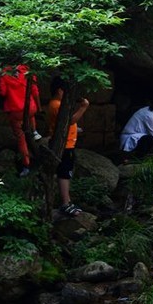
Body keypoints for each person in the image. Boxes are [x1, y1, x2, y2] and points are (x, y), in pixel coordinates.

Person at [46, 78, 90, 217]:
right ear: (60, 91)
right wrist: (83, 108)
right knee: (64, 173)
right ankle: (65, 203)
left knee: (67, 172)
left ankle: (68, 201)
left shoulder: (57, 104)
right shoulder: (56, 104)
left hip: (69, 143)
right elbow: (69, 120)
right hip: (65, 145)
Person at [0, 64, 42, 177]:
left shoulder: (4, 73)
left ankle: (26, 166)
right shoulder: (28, 71)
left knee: (21, 138)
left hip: (16, 111)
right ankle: (34, 131)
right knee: (30, 115)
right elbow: (35, 91)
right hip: (30, 108)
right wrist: (39, 107)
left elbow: (2, 93)